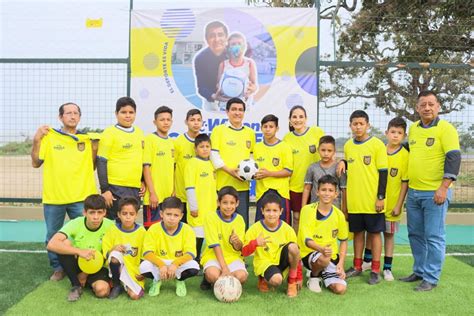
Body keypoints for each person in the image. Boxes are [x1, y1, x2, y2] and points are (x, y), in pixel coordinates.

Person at [400, 91, 461, 291]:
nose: (427, 108)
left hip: (435, 193)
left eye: (431, 104)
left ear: (438, 106)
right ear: (417, 108)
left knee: (434, 236)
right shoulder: (414, 129)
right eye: (423, 105)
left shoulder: (447, 129)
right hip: (414, 193)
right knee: (415, 234)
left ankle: (431, 278)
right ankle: (419, 271)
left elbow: (453, 158)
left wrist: (444, 187)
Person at [31, 102, 98, 281]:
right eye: (68, 113)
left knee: (84, 233)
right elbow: (36, 163)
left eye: (76, 113)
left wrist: (95, 147)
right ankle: (58, 268)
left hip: (81, 197)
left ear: (80, 117)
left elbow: (91, 166)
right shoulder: (50, 138)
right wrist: (36, 139)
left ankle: (82, 265)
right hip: (55, 197)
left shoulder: (87, 139)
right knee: (53, 234)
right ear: (60, 117)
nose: (72, 116)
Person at [343, 110, 388, 285]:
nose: (358, 126)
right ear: (350, 126)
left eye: (362, 123)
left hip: (372, 201)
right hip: (355, 201)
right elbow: (348, 166)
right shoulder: (347, 146)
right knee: (358, 234)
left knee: (375, 234)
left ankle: (375, 270)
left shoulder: (377, 145)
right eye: (355, 123)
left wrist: (380, 197)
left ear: (368, 125)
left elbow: (383, 173)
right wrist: (342, 162)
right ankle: (357, 266)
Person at [362, 118, 409, 281]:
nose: (395, 136)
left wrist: (399, 204)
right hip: (375, 201)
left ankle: (387, 268)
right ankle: (367, 261)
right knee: (372, 232)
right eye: (393, 132)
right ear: (386, 133)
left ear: (404, 135)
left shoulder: (405, 155)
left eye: (399, 133)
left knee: (388, 235)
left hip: (392, 205)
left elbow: (404, 183)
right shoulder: (379, 149)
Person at [46, 194, 114, 302]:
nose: (96, 217)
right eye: (92, 212)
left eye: (99, 212)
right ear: (84, 213)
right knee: (64, 242)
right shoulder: (76, 223)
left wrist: (85, 274)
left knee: (102, 291)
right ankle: (76, 285)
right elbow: (51, 244)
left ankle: (90, 282)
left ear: (105, 213)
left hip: (99, 266)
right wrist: (79, 251)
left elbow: (110, 252)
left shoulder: (110, 226)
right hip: (79, 263)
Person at [242, 193, 302, 298]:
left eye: (275, 211)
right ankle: (263, 278)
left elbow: (297, 255)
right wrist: (255, 243)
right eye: (268, 210)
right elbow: (244, 252)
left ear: (281, 212)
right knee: (277, 280)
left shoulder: (288, 229)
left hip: (281, 262)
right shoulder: (255, 229)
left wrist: (298, 277)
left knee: (293, 247)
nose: (271, 214)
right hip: (265, 263)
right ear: (262, 211)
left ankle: (291, 283)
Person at [139, 197, 200, 297]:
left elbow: (190, 254)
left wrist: (175, 264)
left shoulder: (187, 230)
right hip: (159, 261)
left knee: (194, 266)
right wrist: (161, 264)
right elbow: (147, 253)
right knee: (143, 267)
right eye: (168, 214)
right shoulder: (154, 229)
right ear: (161, 214)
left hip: (177, 263)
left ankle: (180, 280)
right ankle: (157, 280)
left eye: (176, 215)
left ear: (181, 216)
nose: (172, 218)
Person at [298, 175, 348, 294]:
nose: (327, 193)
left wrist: (340, 264)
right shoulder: (307, 210)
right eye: (323, 190)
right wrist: (322, 249)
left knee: (340, 289)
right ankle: (314, 276)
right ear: (317, 192)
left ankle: (324, 273)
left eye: (330, 190)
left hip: (330, 256)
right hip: (308, 253)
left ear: (336, 194)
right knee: (324, 259)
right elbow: (307, 241)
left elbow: (344, 241)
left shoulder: (339, 215)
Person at [210, 97, 256, 229]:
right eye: (234, 109)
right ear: (227, 111)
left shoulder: (250, 133)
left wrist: (251, 174)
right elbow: (213, 155)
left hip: (243, 187)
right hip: (223, 186)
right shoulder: (218, 130)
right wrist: (229, 170)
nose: (237, 113)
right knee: (222, 226)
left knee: (242, 224)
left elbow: (252, 156)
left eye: (240, 110)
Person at [97, 97, 145, 220]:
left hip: (134, 188)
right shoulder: (109, 133)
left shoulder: (140, 133)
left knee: (129, 224)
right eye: (123, 112)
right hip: (114, 188)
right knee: (114, 225)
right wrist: (105, 190)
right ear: (116, 114)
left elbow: (140, 159)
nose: (128, 116)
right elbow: (101, 161)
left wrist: (142, 181)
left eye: (131, 112)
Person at [283, 105, 324, 233]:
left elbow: (328, 151)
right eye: (294, 117)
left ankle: (315, 249)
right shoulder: (287, 138)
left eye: (301, 116)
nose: (298, 120)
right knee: (297, 217)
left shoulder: (316, 132)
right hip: (295, 185)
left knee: (315, 217)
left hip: (316, 185)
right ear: (290, 120)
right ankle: (297, 248)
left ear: (306, 119)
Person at [200, 186, 247, 290]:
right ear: (218, 203)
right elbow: (215, 245)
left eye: (232, 203)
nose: (228, 206)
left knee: (242, 277)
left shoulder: (239, 219)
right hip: (213, 256)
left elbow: (240, 248)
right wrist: (225, 268)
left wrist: (236, 242)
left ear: (237, 203)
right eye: (225, 203)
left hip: (232, 257)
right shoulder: (210, 217)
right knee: (212, 275)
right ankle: (209, 277)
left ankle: (223, 281)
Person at [102, 197, 146, 300]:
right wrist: (113, 248)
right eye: (124, 213)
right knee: (114, 255)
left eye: (131, 214)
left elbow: (145, 254)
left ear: (136, 215)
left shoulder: (142, 231)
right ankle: (116, 285)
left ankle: (127, 285)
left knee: (135, 296)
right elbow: (106, 252)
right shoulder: (112, 230)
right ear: (118, 214)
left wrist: (143, 272)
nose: (128, 217)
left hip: (133, 269)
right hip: (116, 266)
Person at [253, 114, 293, 224]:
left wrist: (269, 173)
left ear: (277, 128)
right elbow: (254, 169)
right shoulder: (257, 147)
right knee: (261, 226)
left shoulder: (285, 147)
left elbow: (288, 171)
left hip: (280, 192)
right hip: (262, 192)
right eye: (265, 126)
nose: (268, 129)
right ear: (261, 128)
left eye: (271, 126)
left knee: (282, 226)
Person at [184, 133, 217, 260]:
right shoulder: (192, 163)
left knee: (208, 234)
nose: (205, 149)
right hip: (197, 208)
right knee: (197, 235)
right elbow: (190, 187)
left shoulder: (211, 164)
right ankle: (194, 259)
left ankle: (204, 259)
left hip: (210, 207)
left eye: (207, 146)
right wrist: (193, 206)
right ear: (195, 148)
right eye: (201, 146)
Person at [142, 106, 175, 228]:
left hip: (168, 198)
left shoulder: (172, 142)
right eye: (162, 120)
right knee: (152, 232)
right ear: (155, 122)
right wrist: (152, 193)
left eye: (168, 119)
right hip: (154, 198)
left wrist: (174, 190)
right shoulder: (150, 139)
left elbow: (173, 169)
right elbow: (146, 168)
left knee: (166, 232)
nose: (165, 122)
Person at [214, 32, 258, 110]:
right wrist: (226, 88)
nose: (236, 46)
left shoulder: (249, 63)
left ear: (244, 46)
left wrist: (250, 90)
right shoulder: (223, 64)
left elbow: (254, 86)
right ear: (228, 47)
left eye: (239, 43)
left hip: (243, 107)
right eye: (233, 44)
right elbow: (218, 84)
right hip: (225, 106)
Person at [174, 109, 203, 224]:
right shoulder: (179, 142)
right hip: (182, 196)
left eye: (198, 120)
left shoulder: (205, 142)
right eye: (192, 120)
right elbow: (173, 167)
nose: (196, 123)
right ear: (186, 122)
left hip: (199, 196)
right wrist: (173, 189)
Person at [302, 135, 347, 209]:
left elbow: (344, 190)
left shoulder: (339, 168)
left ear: (334, 151)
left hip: (334, 208)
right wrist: (303, 208)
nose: (326, 153)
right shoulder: (312, 167)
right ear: (318, 150)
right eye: (323, 150)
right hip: (315, 208)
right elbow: (307, 188)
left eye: (329, 151)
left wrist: (344, 210)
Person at [193, 21, 228, 111]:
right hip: (212, 103)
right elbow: (202, 88)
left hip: (236, 102)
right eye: (212, 36)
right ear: (206, 39)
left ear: (226, 37)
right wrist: (215, 97)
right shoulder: (200, 58)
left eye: (220, 35)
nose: (217, 39)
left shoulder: (234, 54)